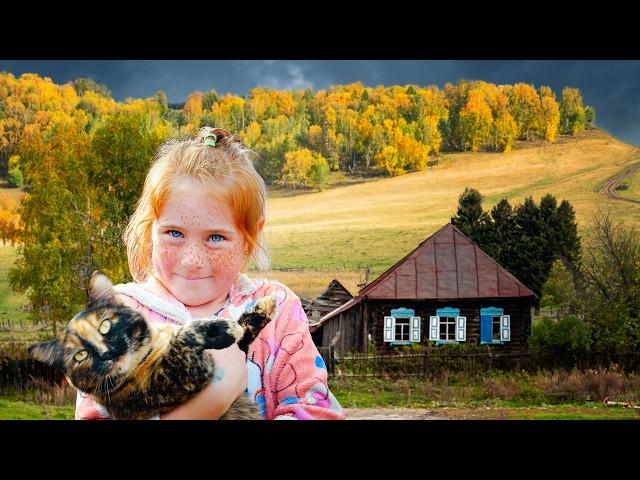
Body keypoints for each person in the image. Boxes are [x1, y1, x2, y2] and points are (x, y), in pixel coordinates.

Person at [75, 127, 345, 420]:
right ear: (149, 228)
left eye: (216, 237)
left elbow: (315, 410)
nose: (192, 260)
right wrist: (209, 402)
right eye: (174, 233)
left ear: (250, 235)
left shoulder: (276, 311)